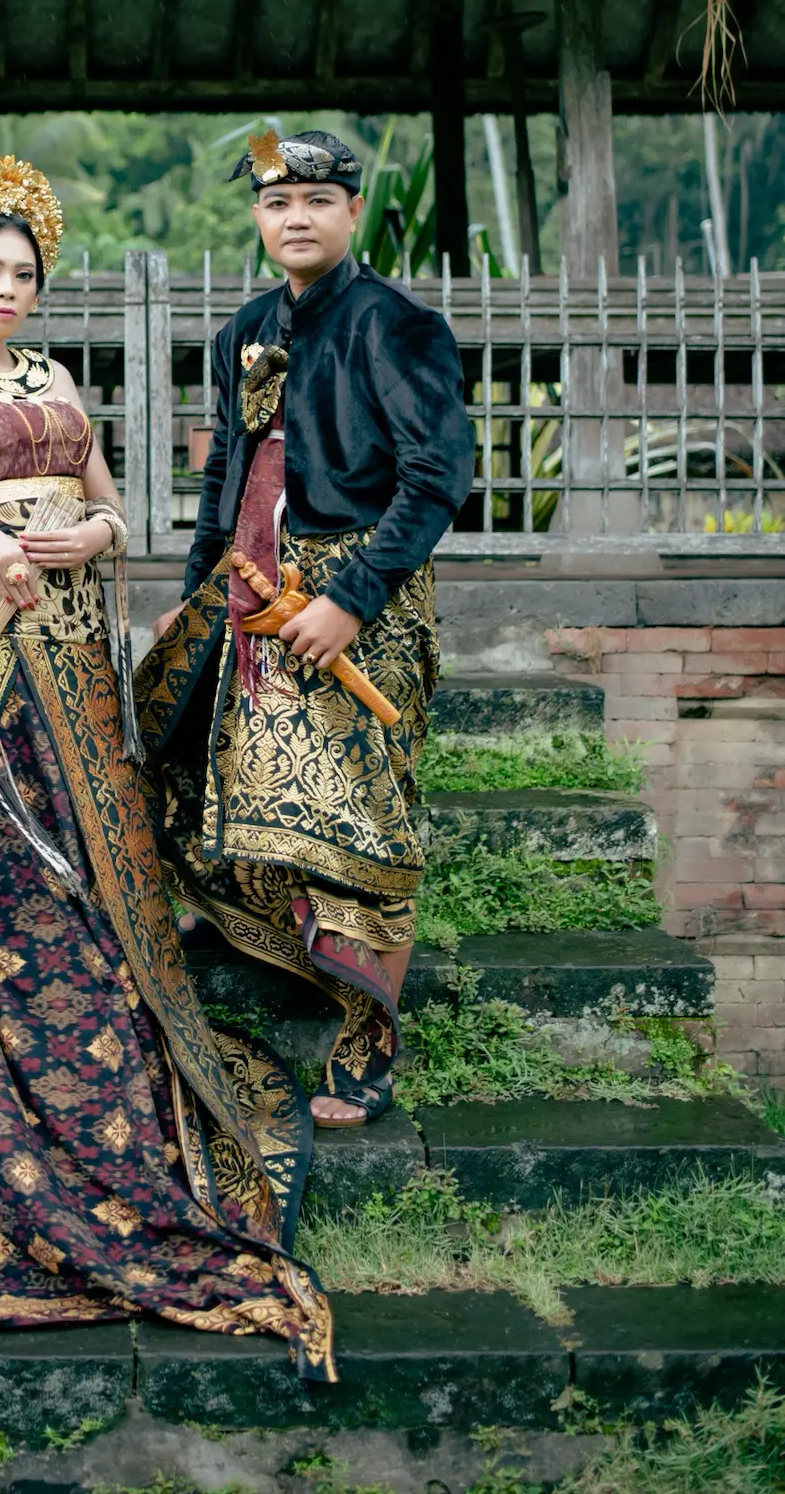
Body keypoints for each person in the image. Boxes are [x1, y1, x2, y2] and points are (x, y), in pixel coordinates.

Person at [0, 155, 334, 1379]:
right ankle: (8, 1151)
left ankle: (119, 1109)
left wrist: (95, 534)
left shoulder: (57, 378)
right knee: (8, 881)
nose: (9, 290)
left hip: (77, 657)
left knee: (104, 884)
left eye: (24, 273)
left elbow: (115, 507)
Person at [136, 129, 475, 1129]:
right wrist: (196, 591)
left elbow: (437, 478)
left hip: (358, 603)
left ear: (351, 212)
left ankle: (368, 1046)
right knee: (191, 755)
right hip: (250, 590)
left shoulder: (397, 326)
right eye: (278, 203)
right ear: (258, 216)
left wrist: (351, 599)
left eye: (318, 202)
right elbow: (225, 472)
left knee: (365, 816)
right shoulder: (244, 328)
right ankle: (248, 925)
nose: (297, 219)